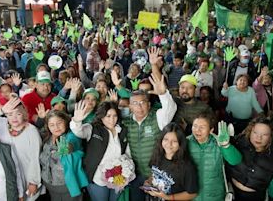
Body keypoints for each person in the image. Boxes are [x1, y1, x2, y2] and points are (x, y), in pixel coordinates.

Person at [123, 72, 176, 201]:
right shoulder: (126, 122)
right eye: (135, 103)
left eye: (143, 102)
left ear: (149, 104)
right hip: (136, 175)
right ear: (130, 107)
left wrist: (163, 94)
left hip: (159, 175)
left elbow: (171, 109)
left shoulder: (157, 117)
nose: (139, 106)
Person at [0, 98, 43, 200]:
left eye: (18, 114)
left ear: (24, 114)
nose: (14, 118)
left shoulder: (31, 131)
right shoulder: (1, 124)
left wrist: (33, 181)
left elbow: (35, 158)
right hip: (11, 176)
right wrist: (0, 111)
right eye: (10, 114)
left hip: (28, 174)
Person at [70, 101, 129, 201]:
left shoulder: (122, 130)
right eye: (108, 116)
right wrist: (76, 120)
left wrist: (127, 171)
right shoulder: (92, 129)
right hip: (97, 178)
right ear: (101, 116)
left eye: (114, 116)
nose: (112, 120)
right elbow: (78, 131)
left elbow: (127, 153)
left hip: (117, 178)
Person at [187, 112, 242, 201]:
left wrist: (226, 145)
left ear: (211, 130)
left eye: (202, 127)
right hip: (192, 196)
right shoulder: (186, 142)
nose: (197, 130)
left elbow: (235, 161)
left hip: (215, 196)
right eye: (195, 126)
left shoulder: (218, 142)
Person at [40, 110, 88, 200]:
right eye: (52, 125)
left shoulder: (72, 136)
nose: (56, 127)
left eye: (59, 123)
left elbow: (72, 144)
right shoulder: (47, 138)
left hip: (68, 187)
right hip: (50, 185)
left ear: (66, 122)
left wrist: (68, 148)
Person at [144, 122, 198, 200]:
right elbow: (154, 174)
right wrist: (148, 182)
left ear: (180, 144)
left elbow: (192, 194)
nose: (169, 144)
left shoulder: (187, 167)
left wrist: (168, 197)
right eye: (166, 139)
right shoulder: (157, 155)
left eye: (174, 141)